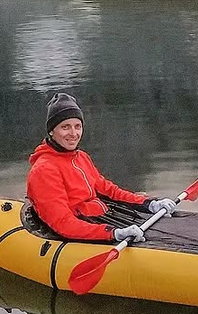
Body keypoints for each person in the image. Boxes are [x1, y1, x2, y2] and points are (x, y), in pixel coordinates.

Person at [26, 92, 176, 243]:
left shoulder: (81, 157)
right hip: (76, 230)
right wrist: (113, 234)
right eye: (65, 127)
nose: (73, 134)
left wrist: (149, 204)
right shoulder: (44, 170)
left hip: (99, 216)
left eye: (77, 126)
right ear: (52, 131)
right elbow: (62, 222)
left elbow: (109, 191)